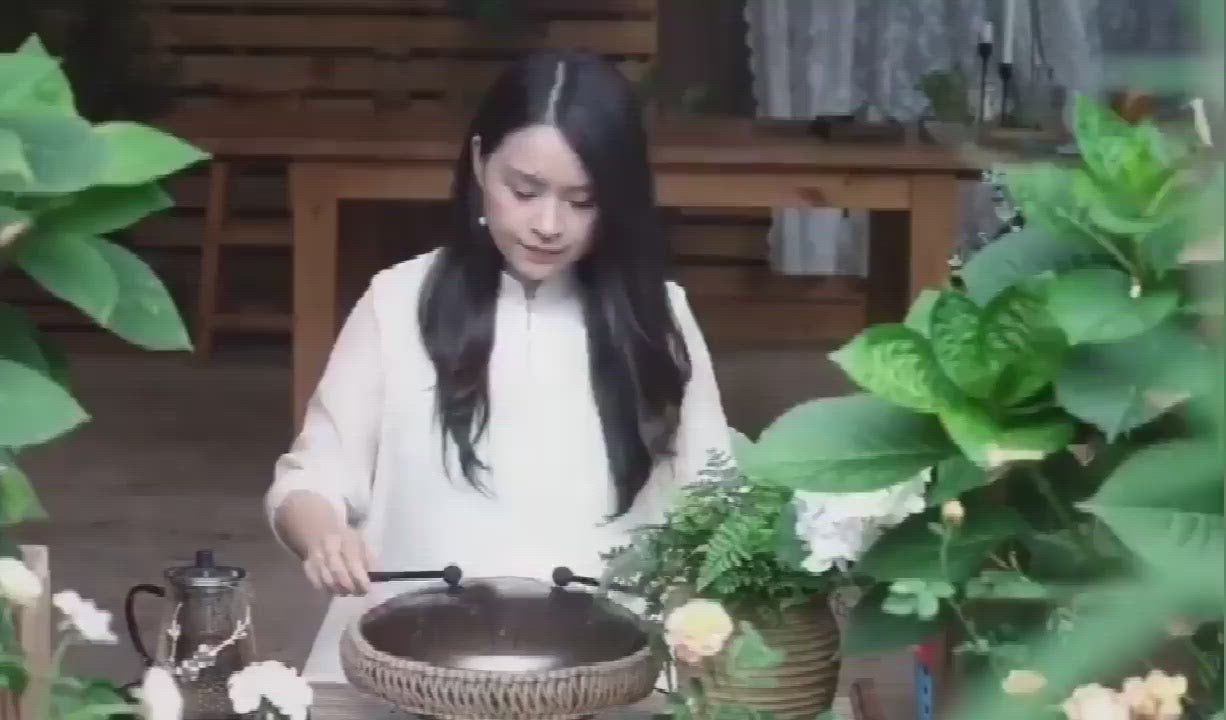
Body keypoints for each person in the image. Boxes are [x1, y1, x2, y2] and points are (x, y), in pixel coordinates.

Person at [263, 48, 733, 682]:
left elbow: (715, 504)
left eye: (582, 200)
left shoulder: (659, 317)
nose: (548, 224)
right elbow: (313, 476)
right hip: (410, 667)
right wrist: (322, 533)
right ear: (481, 161)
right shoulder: (397, 301)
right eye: (525, 191)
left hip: (609, 678)